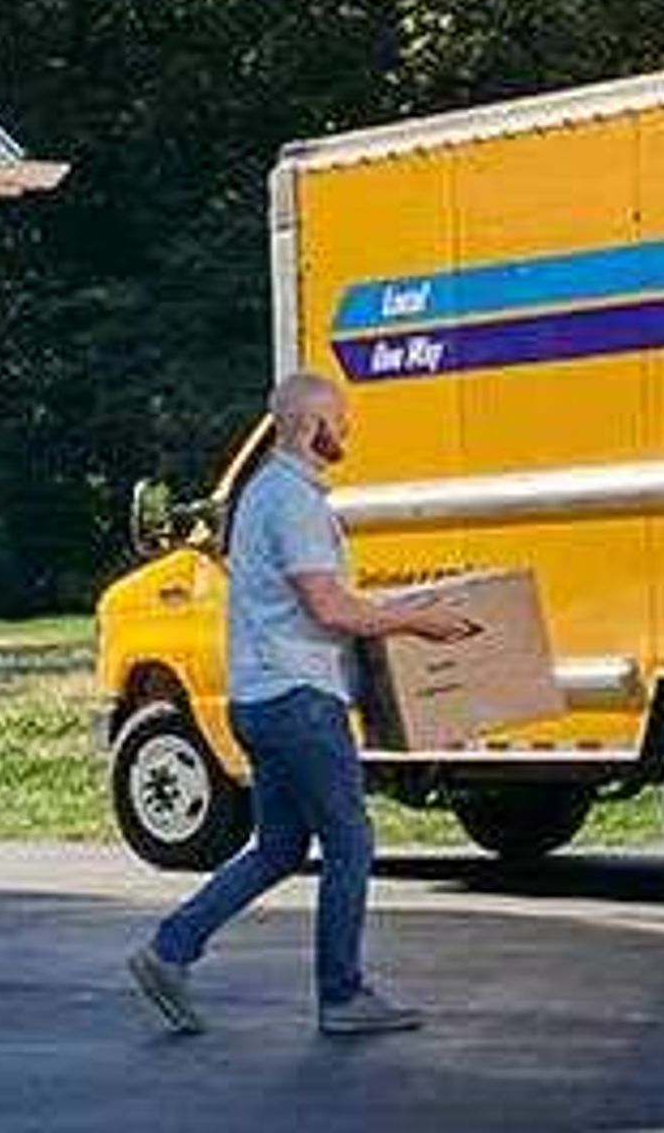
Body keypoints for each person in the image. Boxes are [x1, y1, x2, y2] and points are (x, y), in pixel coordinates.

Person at [127, 371, 470, 1037]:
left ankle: (169, 951)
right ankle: (342, 997)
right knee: (350, 842)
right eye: (340, 422)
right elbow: (327, 605)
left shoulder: (264, 495)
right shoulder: (294, 503)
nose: (347, 432)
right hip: (299, 700)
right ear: (314, 427)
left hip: (262, 699)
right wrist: (414, 620)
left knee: (282, 847)